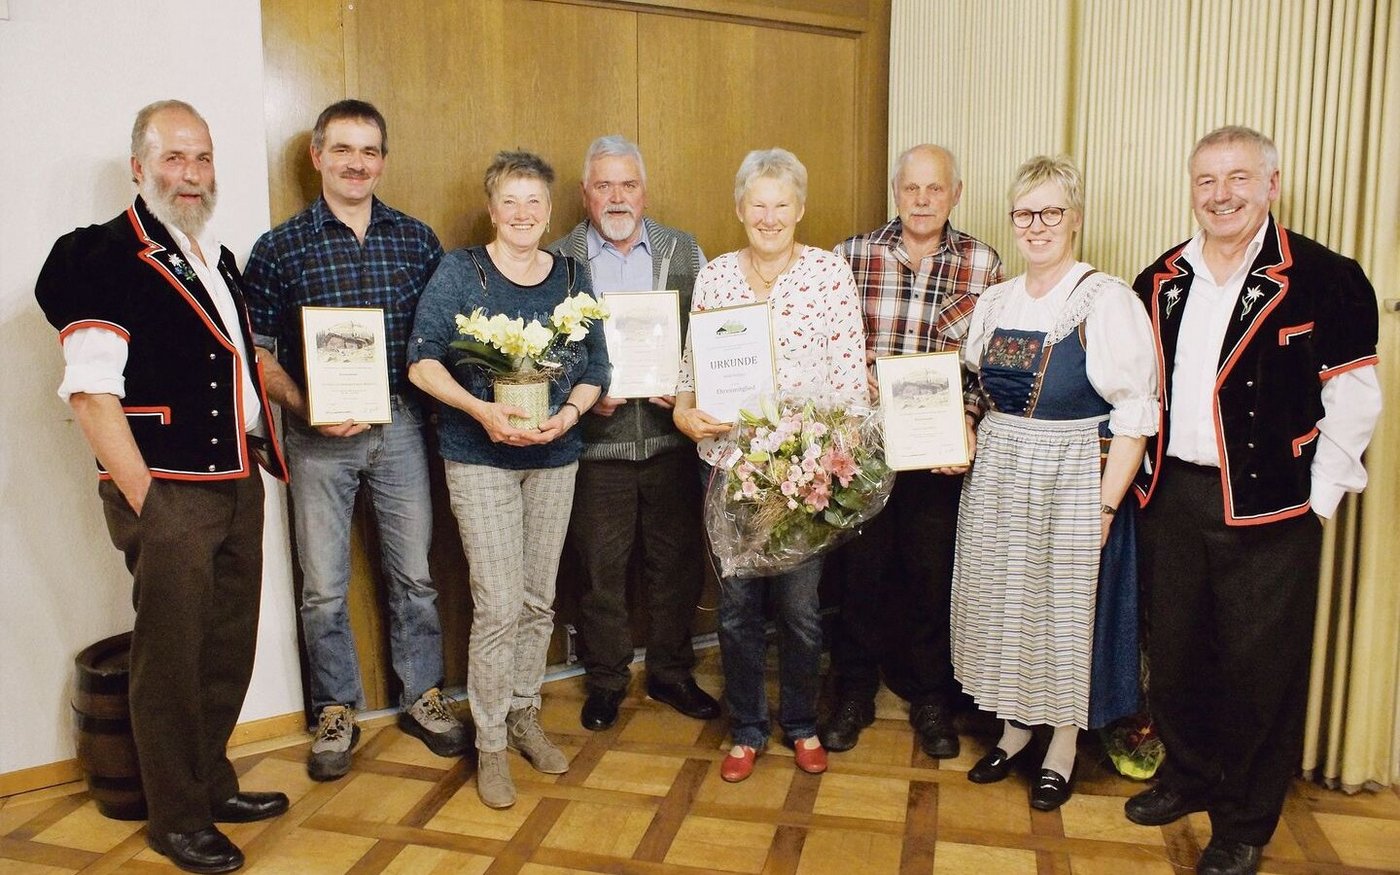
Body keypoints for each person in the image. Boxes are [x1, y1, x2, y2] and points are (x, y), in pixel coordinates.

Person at [35, 100, 290, 874]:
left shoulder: (213, 257)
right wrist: (150, 499)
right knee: (172, 657)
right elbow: (90, 393)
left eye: (203, 158)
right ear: (138, 166)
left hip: (237, 478)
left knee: (225, 645)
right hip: (171, 492)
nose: (191, 174)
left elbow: (244, 366)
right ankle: (175, 818)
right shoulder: (101, 255)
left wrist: (311, 403)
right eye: (174, 158)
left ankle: (210, 779)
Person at [1125, 126, 1381, 875]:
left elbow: (1356, 401)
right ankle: (1190, 774)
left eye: (1239, 178)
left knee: (1257, 670)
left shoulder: (1327, 276)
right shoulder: (1160, 277)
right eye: (1207, 180)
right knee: (1174, 653)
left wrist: (1318, 500)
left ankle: (1244, 819)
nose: (1222, 195)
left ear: (1272, 184)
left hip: (1273, 508)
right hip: (1172, 493)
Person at [244, 99, 467, 782]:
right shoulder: (278, 248)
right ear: (317, 156)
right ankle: (335, 708)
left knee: (416, 576)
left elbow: (438, 341)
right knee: (323, 586)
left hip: (400, 425)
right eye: (343, 149)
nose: (356, 163)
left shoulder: (416, 239)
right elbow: (258, 354)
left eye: (369, 151)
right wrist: (304, 405)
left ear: (383, 160)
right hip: (318, 438)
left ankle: (422, 695)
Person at [951, 156, 1158, 812]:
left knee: (1063, 615)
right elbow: (971, 388)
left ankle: (1063, 746)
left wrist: (1105, 504)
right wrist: (960, 426)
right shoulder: (997, 300)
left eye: (1050, 212)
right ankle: (1014, 731)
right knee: (1005, 605)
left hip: (1073, 472)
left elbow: (1135, 414)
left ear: (1075, 218)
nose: (1036, 226)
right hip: (1000, 471)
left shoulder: (1106, 299)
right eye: (1024, 213)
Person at [408, 150, 610, 809]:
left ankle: (525, 711)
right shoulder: (458, 272)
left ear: (550, 211)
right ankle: (489, 739)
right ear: (492, 209)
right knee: (497, 604)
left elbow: (596, 367)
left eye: (535, 203)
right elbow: (422, 365)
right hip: (479, 454)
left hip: (556, 455)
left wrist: (571, 413)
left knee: (538, 599)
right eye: (511, 202)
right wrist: (480, 410)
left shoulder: (575, 274)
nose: (523, 214)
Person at [674, 148, 866, 783]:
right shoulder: (717, 276)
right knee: (736, 609)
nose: (770, 215)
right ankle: (749, 727)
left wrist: (836, 457)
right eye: (758, 204)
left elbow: (849, 380)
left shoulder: (829, 274)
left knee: (803, 609)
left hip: (801, 475)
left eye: (781, 203)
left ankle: (803, 723)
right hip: (728, 467)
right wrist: (683, 410)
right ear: (739, 210)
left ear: (800, 208)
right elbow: (691, 368)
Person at [824, 144, 1004, 758]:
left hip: (935, 454)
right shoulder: (850, 256)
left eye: (935, 189)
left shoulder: (983, 263)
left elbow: (989, 365)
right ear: (895, 192)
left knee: (932, 578)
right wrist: (855, 381)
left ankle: (932, 698)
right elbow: (823, 347)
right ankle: (852, 691)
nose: (922, 200)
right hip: (864, 449)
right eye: (911, 188)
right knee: (859, 579)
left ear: (956, 193)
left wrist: (968, 421)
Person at [547, 136, 720, 731]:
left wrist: (688, 387)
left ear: (644, 191)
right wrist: (583, 390)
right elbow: (548, 349)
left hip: (673, 441)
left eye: (628, 185)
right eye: (604, 185)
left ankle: (672, 674)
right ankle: (606, 681)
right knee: (601, 572)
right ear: (584, 193)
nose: (617, 197)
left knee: (676, 565)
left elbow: (707, 332)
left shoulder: (683, 248)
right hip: (598, 448)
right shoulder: (558, 256)